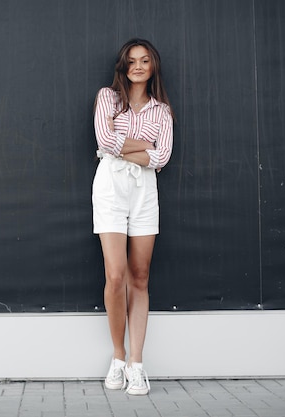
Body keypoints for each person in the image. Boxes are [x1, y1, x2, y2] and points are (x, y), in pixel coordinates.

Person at [92, 38, 174, 395]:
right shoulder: (107, 98)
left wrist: (121, 141)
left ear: (152, 66)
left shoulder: (162, 111)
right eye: (131, 60)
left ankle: (137, 366)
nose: (137, 66)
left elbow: (164, 156)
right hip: (110, 187)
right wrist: (145, 145)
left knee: (139, 275)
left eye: (144, 60)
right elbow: (103, 140)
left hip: (144, 191)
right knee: (116, 275)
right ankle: (118, 357)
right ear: (122, 66)